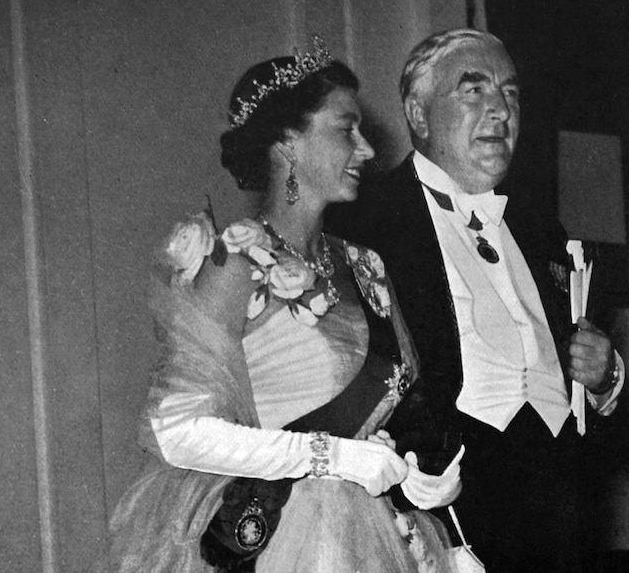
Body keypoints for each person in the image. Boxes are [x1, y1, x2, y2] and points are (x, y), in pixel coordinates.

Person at [107, 38, 466, 572]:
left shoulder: (366, 264)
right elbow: (174, 430)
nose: (366, 149)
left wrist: (415, 471)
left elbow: (383, 407)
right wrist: (332, 456)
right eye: (347, 129)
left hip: (376, 535)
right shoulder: (238, 261)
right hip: (287, 538)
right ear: (288, 143)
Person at [327, 29, 625, 573]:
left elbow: (578, 361)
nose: (500, 112)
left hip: (564, 509)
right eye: (474, 91)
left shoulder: (541, 226)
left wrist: (606, 376)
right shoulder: (365, 227)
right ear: (418, 116)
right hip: (445, 517)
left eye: (510, 94)